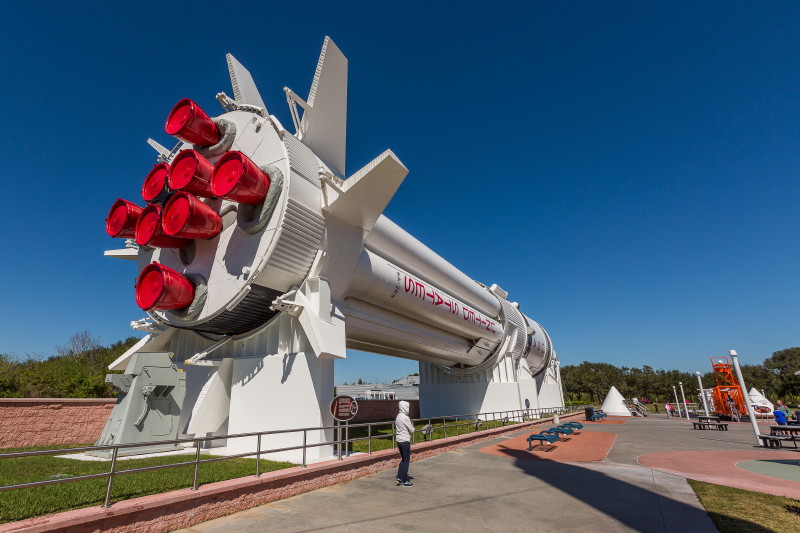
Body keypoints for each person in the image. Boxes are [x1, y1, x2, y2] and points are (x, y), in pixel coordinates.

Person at [395, 400, 414, 487]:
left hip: (398, 440)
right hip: (405, 440)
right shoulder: (405, 417)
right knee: (406, 461)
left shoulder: (398, 416)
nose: (408, 409)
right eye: (407, 407)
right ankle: (405, 481)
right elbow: (412, 429)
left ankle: (399, 477)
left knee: (403, 459)